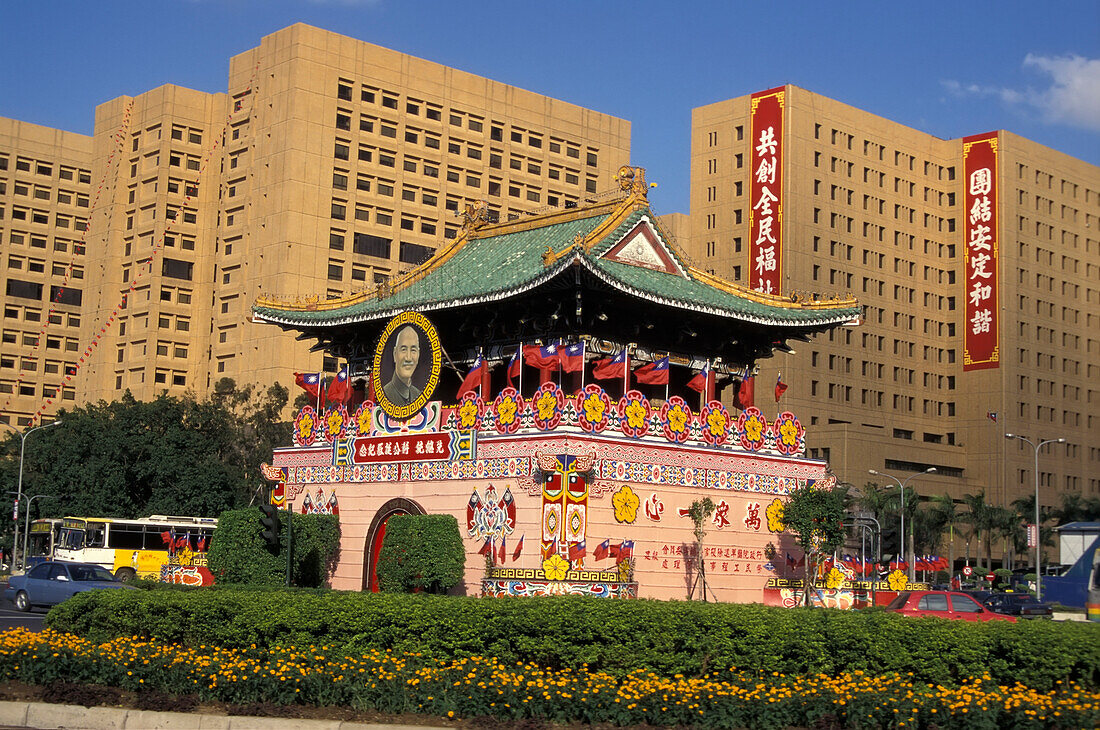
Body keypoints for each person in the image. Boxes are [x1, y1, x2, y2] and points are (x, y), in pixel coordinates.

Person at [383, 325, 422, 406]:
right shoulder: (385, 393)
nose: (408, 358)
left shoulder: (418, 395)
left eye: (413, 350)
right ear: (395, 354)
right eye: (403, 350)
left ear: (418, 354)